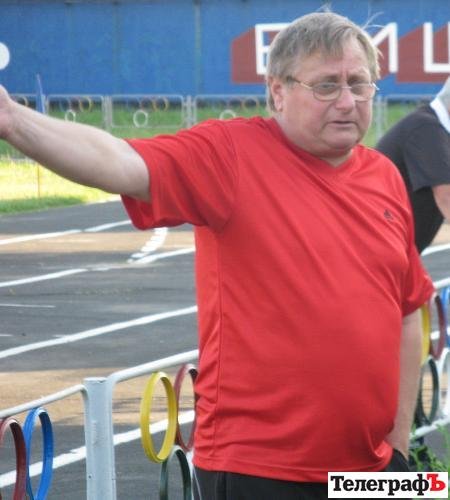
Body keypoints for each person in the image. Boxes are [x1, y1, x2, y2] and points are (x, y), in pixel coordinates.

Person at [0, 12, 434, 500]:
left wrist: (398, 447)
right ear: (278, 92)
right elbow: (120, 161)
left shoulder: (383, 175)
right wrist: (12, 119)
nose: (348, 101)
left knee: (432, 489)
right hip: (261, 470)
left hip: (374, 469)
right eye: (327, 85)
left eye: (359, 83)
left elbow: (407, 311)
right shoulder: (230, 155)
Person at [376, 77, 450, 253]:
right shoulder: (425, 128)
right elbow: (446, 196)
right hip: (380, 250)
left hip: (399, 250)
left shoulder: (436, 129)